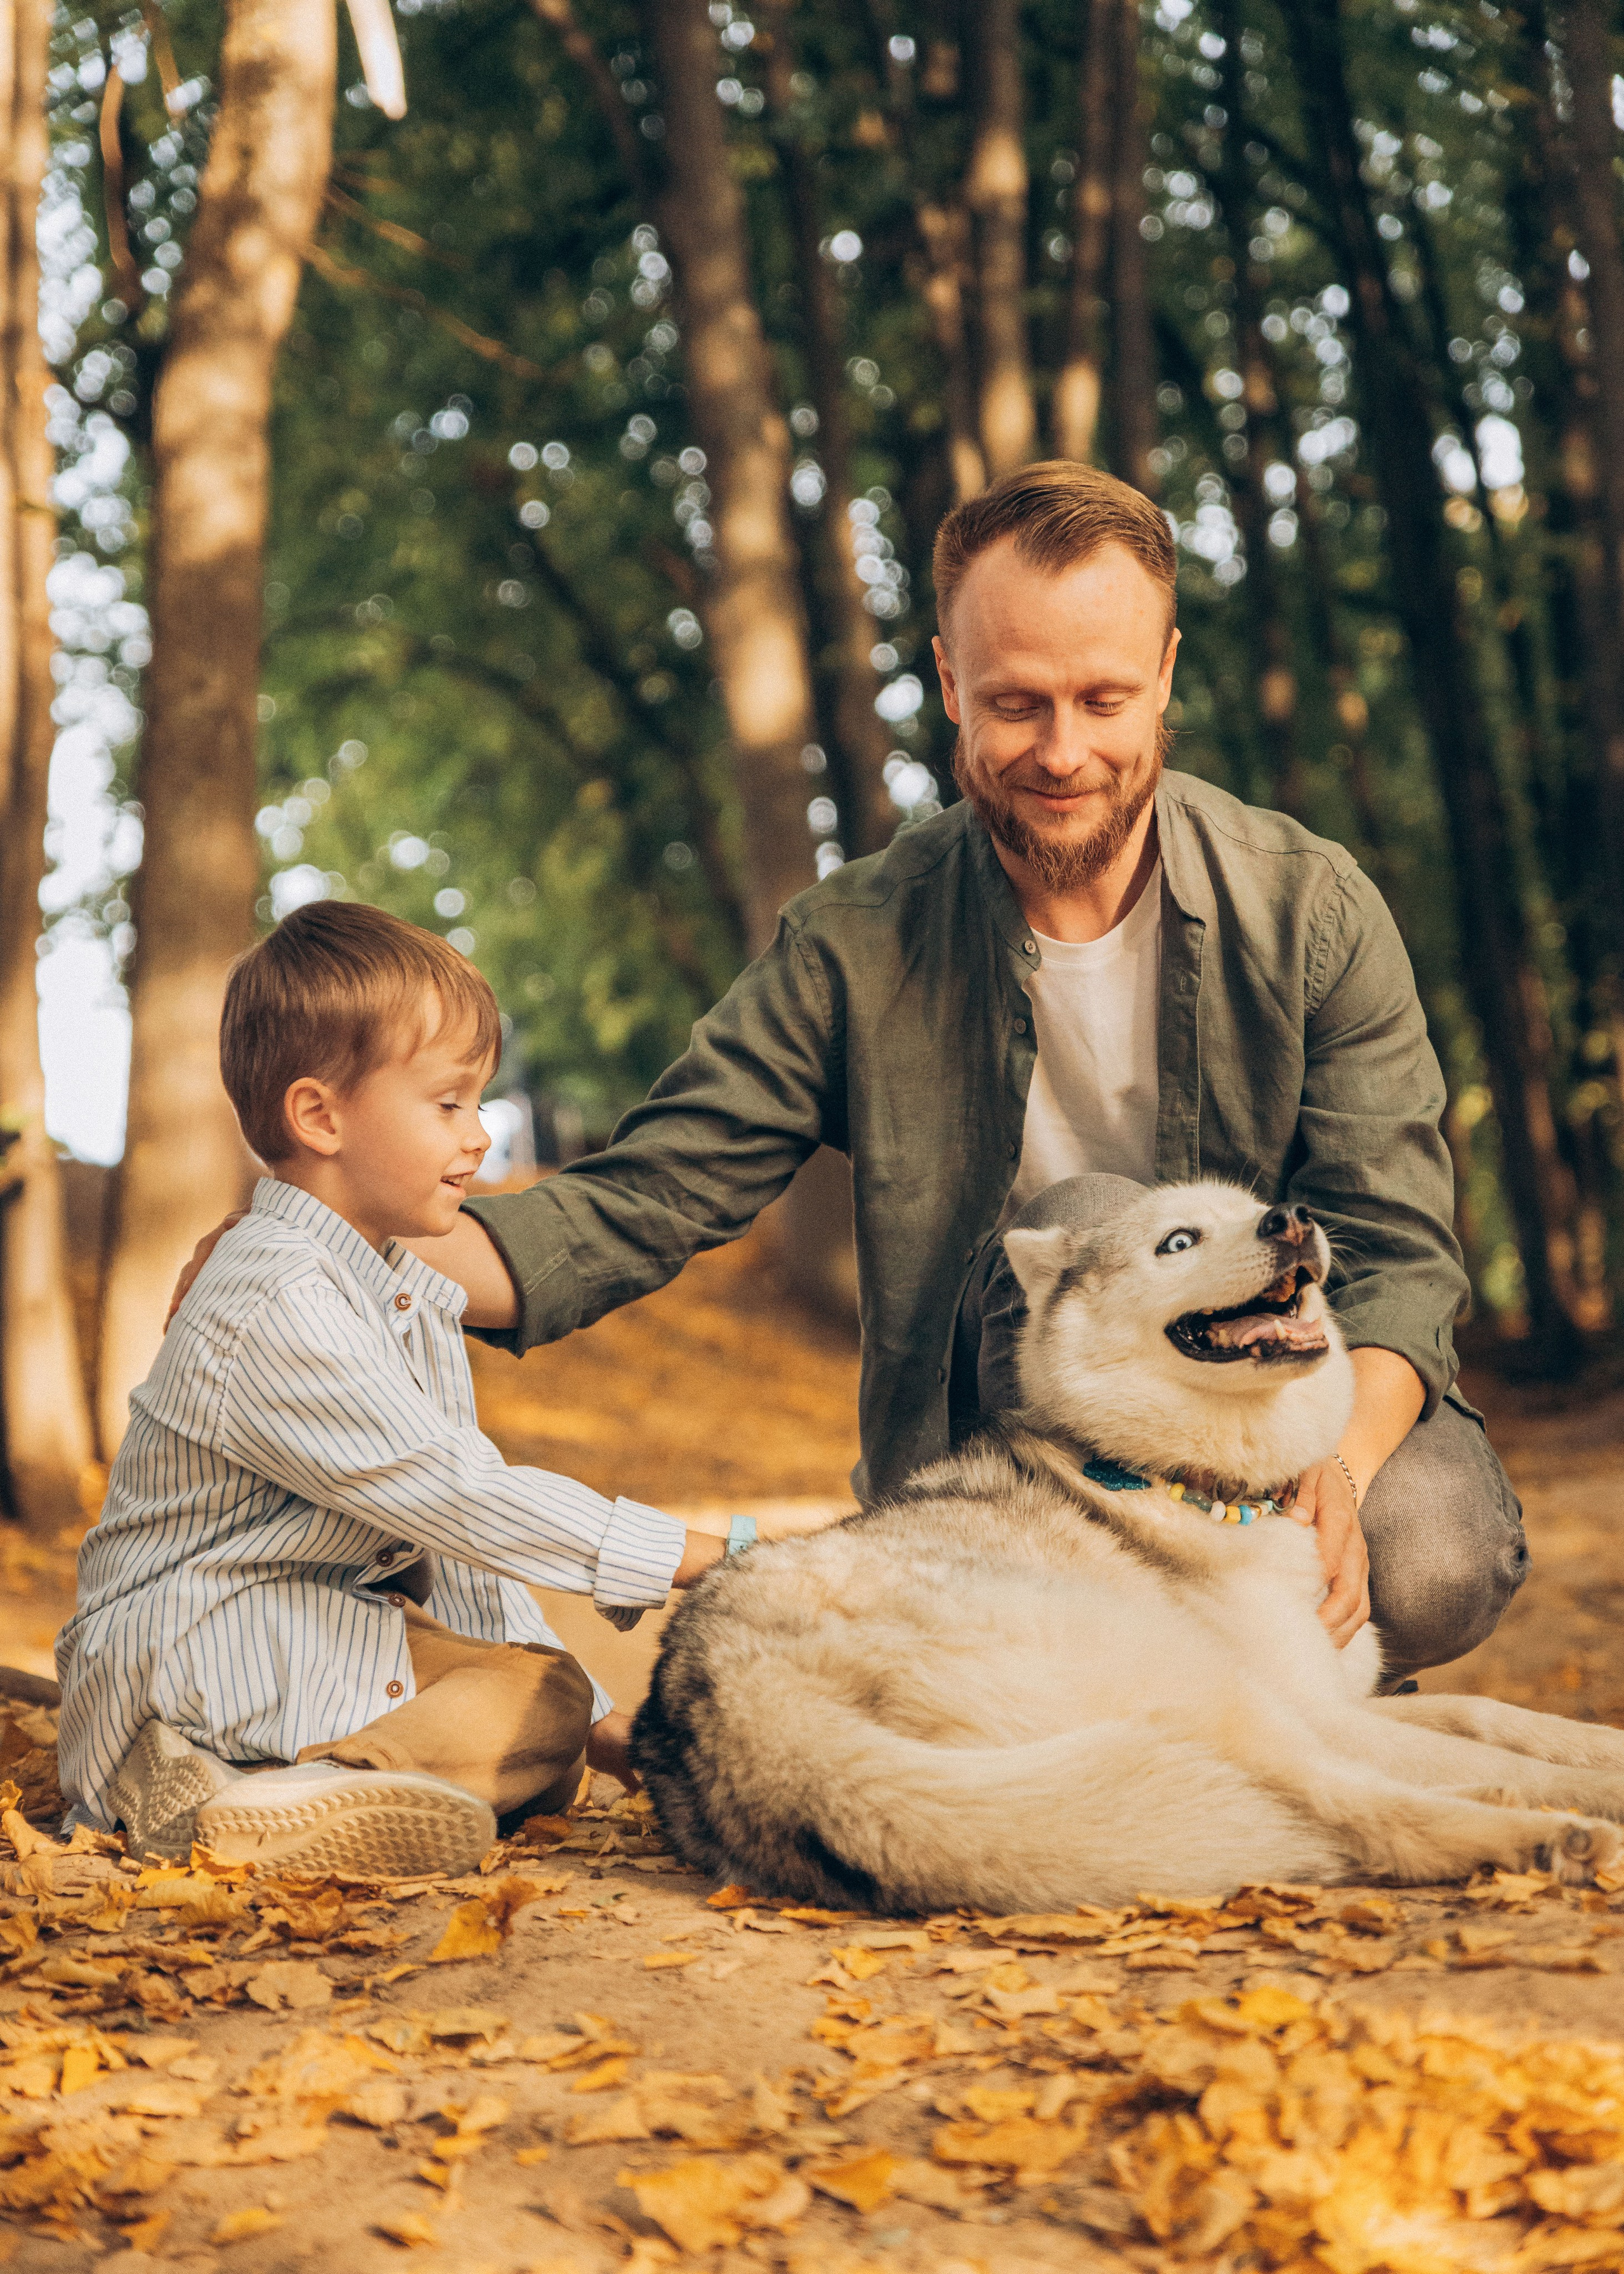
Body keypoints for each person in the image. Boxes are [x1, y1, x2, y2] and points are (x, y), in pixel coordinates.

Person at [173, 463, 1527, 1684]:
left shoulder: (1310, 910)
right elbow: (648, 1196)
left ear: (1166, 675)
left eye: (1103, 700)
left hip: (1268, 1409)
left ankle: (1200, 1678)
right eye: (1015, 703)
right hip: (1009, 1458)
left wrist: (1337, 1470)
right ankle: (1118, 1676)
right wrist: (325, 1233)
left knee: (1431, 1560)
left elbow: (1397, 1251)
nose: (1062, 752)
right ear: (949, 682)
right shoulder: (853, 942)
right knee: (1086, 1226)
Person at [60, 902, 813, 1872]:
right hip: (198, 1649)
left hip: (314, 1640)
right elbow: (464, 1500)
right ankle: (232, 1793)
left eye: (480, 1104)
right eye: (449, 1105)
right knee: (534, 1719)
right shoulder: (275, 1296)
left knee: (548, 1707)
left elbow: (460, 1551)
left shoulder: (405, 1291)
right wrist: (719, 1557)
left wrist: (602, 1732)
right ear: (320, 1117)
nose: (479, 1135)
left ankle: (304, 1792)